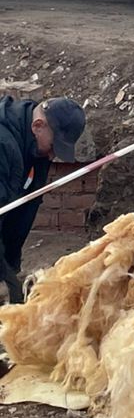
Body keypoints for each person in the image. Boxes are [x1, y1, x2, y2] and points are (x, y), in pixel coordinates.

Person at [0, 95, 86, 303]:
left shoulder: (34, 148)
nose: (53, 155)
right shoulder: (3, 145)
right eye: (54, 146)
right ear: (38, 125)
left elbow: (19, 210)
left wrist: (11, 266)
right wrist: (6, 278)